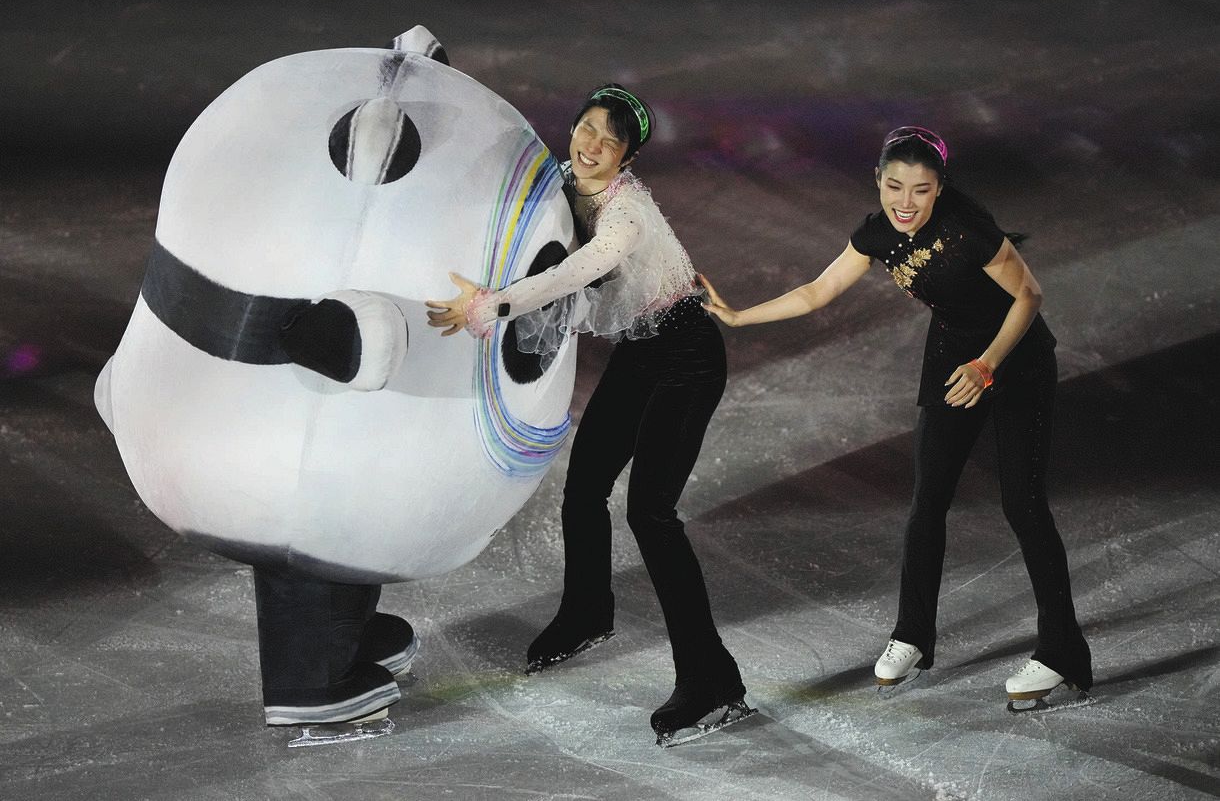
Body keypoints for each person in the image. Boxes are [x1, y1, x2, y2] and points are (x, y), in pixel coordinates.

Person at [700, 126, 1092, 708]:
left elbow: (1029, 296)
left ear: (940, 190)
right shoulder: (878, 232)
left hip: (1015, 360)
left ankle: (1063, 654)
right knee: (927, 503)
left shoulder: (966, 228)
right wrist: (736, 317)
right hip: (951, 356)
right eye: (895, 187)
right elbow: (817, 291)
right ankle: (913, 636)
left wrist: (986, 365)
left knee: (1023, 504)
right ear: (879, 183)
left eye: (921, 190)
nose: (906, 203)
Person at [426, 85, 754, 744]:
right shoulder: (561, 181)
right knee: (583, 488)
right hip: (641, 349)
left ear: (627, 155)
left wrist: (495, 305)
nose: (591, 146)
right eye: (585, 129)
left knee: (651, 514)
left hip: (687, 355)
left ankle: (714, 683)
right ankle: (587, 611)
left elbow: (582, 267)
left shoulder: (626, 213)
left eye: (608, 141)